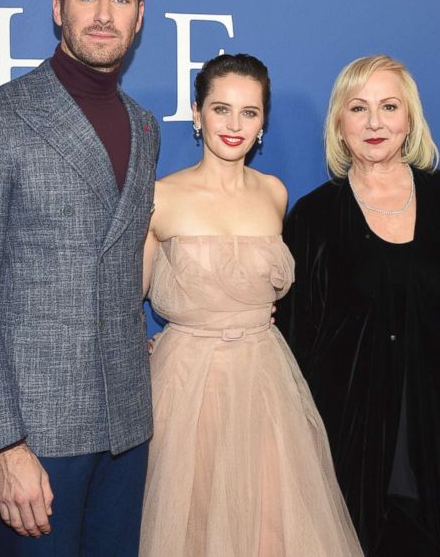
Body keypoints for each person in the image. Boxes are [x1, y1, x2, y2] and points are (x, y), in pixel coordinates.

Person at [0, 0, 159, 557]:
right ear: (58, 8)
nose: (103, 14)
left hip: (127, 425)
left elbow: (126, 264)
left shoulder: (145, 127)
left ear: (140, 15)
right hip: (37, 435)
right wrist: (4, 444)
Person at [276, 54, 440, 556]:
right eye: (359, 108)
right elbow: (287, 331)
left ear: (409, 119)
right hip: (346, 431)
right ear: (339, 123)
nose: (374, 123)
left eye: (389, 107)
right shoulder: (313, 218)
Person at [139, 53, 362, 557]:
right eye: (221, 109)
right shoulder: (160, 197)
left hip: (266, 380)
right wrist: (142, 340)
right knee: (192, 528)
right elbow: (125, 296)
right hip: (185, 385)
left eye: (249, 112)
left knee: (272, 530)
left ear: (263, 122)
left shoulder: (275, 194)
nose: (234, 125)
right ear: (197, 114)